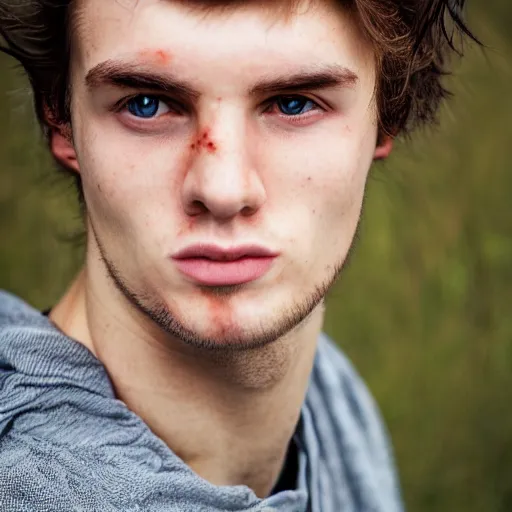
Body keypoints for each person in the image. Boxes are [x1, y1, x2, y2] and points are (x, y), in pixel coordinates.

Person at [0, 0, 476, 510]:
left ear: (387, 112)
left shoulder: (334, 401)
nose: (223, 189)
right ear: (62, 121)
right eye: (146, 103)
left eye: (293, 103)